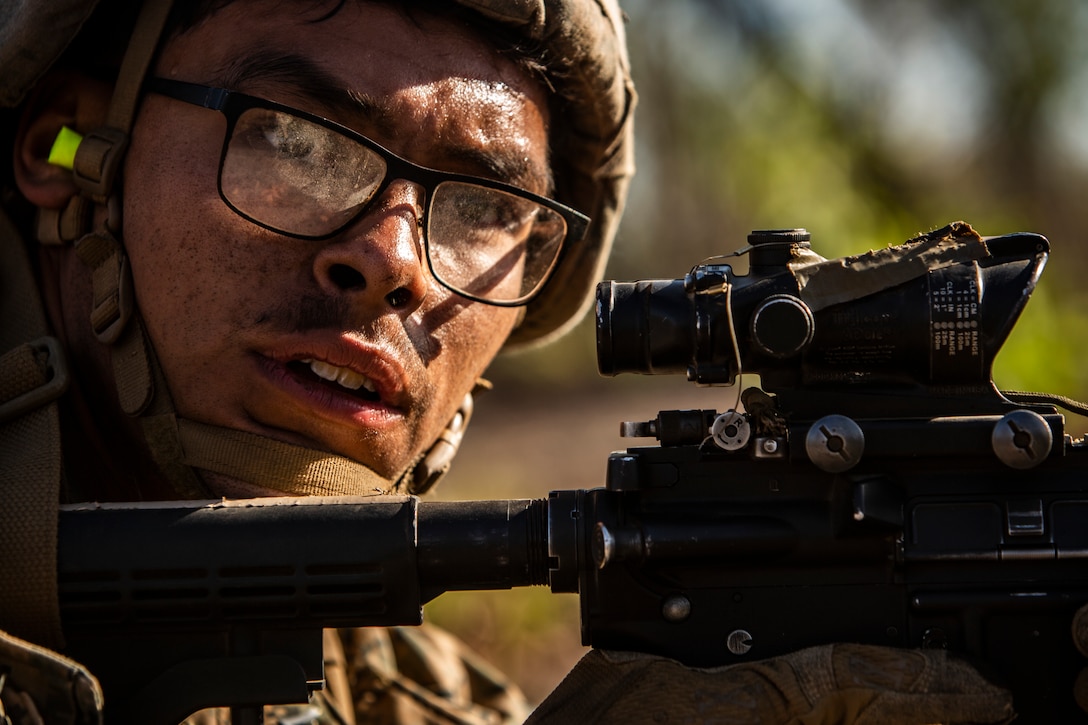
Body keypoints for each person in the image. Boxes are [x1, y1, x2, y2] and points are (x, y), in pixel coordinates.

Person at [0, 1, 1021, 723]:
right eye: (299, 142)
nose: (391, 260)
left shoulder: (414, 699)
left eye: (489, 208)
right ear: (68, 147)